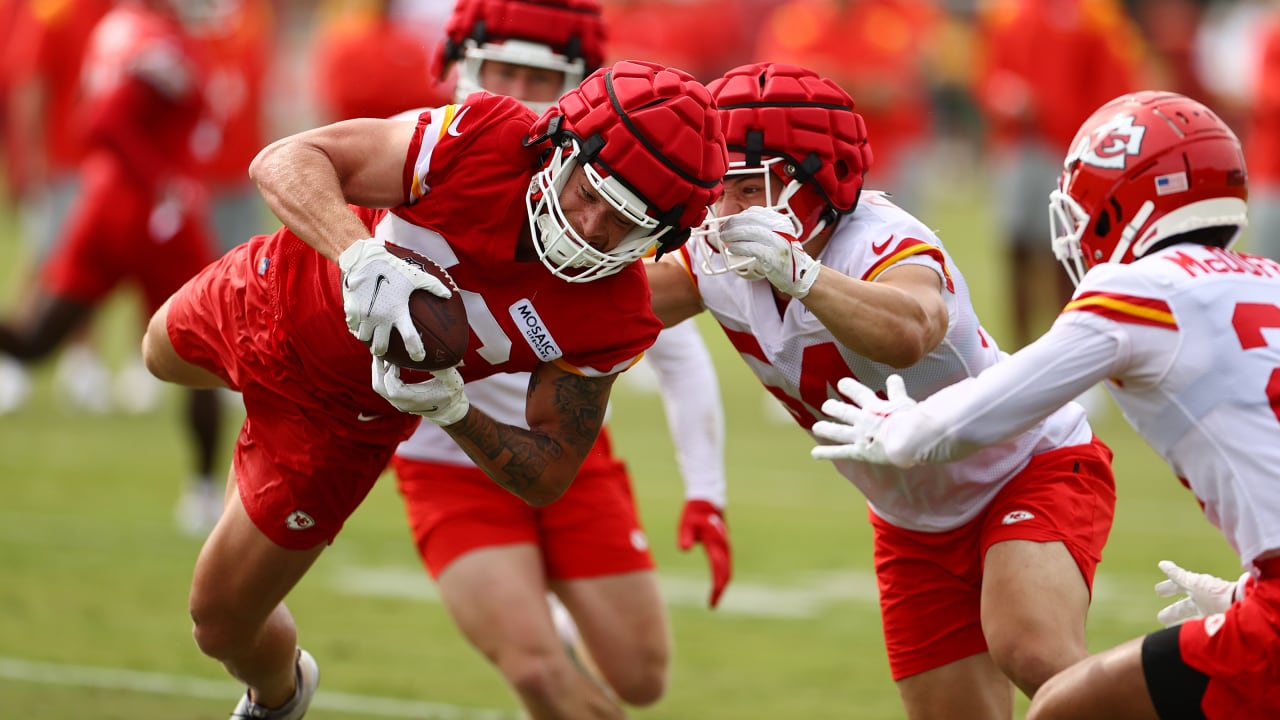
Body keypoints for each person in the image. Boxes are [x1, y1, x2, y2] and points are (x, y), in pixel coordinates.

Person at [140, 58, 726, 719]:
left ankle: (279, 696)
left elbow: (549, 471)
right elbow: (286, 159)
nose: (591, 228)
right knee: (156, 355)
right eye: (590, 193)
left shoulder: (613, 315)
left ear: (662, 235)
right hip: (271, 290)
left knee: (217, 622)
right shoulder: (489, 136)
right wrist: (358, 256)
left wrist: (455, 411)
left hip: (344, 421)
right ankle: (250, 460)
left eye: (626, 223)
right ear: (562, 147)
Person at [645, 61, 1117, 720]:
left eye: (750, 188)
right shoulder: (713, 251)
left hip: (1026, 465)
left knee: (1033, 649)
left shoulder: (882, 240)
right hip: (911, 518)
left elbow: (910, 329)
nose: (726, 211)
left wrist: (801, 274)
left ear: (821, 182)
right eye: (718, 187)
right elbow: (611, 307)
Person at [809, 90, 1279, 719]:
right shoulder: (1267, 277)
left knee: (1065, 709)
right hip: (1266, 591)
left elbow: (993, 407)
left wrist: (901, 429)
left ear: (1126, 200)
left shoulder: (1137, 289)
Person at [393, 1, 731, 717]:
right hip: (448, 462)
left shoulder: (599, 208)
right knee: (540, 674)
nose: (511, 93)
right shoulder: (422, 163)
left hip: (566, 454)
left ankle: (562, 609)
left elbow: (674, 348)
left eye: (537, 77)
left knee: (643, 677)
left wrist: (706, 490)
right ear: (461, 67)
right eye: (499, 70)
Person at [0, 0, 224, 505]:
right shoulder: (158, 41)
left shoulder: (121, 26)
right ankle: (205, 492)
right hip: (153, 219)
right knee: (204, 351)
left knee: (37, 342)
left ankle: (205, 493)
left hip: (104, 206)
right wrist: (160, 180)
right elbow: (101, 118)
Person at [972, 0, 1145, 349]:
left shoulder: (1096, 15)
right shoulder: (1007, 13)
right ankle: (1017, 351)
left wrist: (1093, 136)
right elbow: (987, 71)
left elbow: (1116, 80)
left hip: (1070, 149)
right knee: (1016, 248)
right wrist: (1000, 96)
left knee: (1068, 255)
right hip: (1017, 146)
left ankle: (1070, 346)